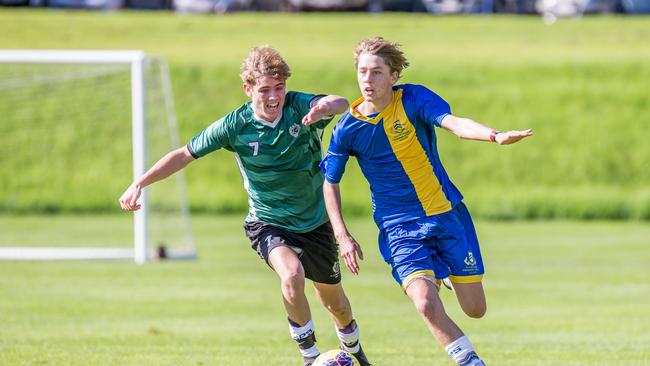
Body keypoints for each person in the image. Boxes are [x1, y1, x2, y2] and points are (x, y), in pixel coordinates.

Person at [119, 46, 372, 366]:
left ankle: (355, 351)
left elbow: (340, 102)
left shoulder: (298, 107)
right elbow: (184, 154)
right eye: (264, 89)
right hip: (269, 222)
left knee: (336, 305)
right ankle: (310, 358)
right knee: (291, 274)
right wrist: (139, 183)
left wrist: (323, 106)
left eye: (279, 88)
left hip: (316, 222)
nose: (273, 97)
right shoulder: (235, 125)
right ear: (248, 88)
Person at [316, 37, 533, 366]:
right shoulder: (347, 128)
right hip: (398, 227)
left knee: (475, 309)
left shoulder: (414, 98)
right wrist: (342, 234)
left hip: (446, 214)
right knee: (425, 302)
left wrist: (495, 135)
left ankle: (443, 270)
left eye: (376, 72)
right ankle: (472, 362)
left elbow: (455, 124)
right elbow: (330, 183)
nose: (367, 80)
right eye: (362, 72)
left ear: (393, 76)